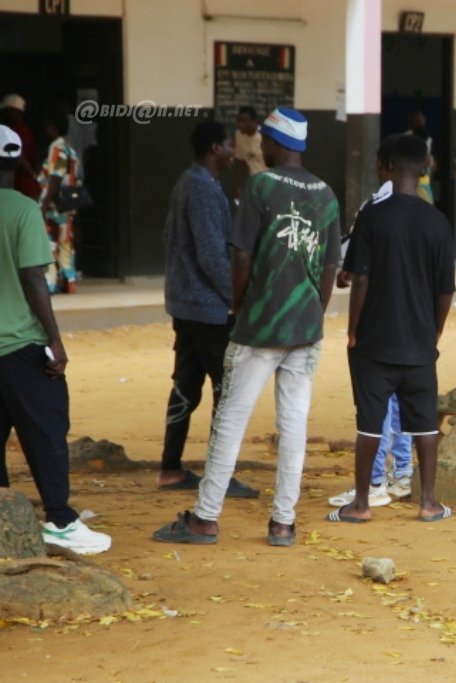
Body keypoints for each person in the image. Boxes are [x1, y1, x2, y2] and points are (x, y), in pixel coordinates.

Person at [153, 107, 341, 547]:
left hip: (259, 324)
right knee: (294, 424)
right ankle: (283, 523)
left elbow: (240, 255)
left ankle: (205, 518)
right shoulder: (326, 194)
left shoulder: (260, 186)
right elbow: (331, 266)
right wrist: (315, 311)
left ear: (274, 143)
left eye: (263, 141)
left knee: (231, 418)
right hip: (304, 327)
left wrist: (239, 307)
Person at [328, 134, 455, 524]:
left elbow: (360, 280)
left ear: (385, 167)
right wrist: (434, 332)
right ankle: (429, 503)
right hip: (419, 344)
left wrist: (353, 331)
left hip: (375, 342)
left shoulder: (373, 217)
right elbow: (445, 290)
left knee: (369, 424)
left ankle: (361, 504)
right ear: (425, 168)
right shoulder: (437, 221)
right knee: (424, 425)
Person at [0, 125, 110, 555]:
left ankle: (5, 519)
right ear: (18, 163)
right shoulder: (22, 208)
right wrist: (55, 341)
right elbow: (33, 276)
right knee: (46, 431)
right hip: (19, 343)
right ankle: (60, 521)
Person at [157, 120, 256, 498]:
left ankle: (170, 468)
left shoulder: (191, 182)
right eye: (230, 145)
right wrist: (236, 297)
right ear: (215, 148)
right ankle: (220, 475)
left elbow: (172, 238)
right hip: (207, 309)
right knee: (226, 390)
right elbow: (212, 255)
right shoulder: (201, 187)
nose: (234, 152)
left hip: (188, 305)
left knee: (185, 384)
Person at [329, 136, 414, 510]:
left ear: (384, 166)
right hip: (412, 321)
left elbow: (356, 272)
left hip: (379, 319)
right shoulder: (423, 212)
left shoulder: (374, 209)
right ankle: (403, 474)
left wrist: (353, 330)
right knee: (401, 398)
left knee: (375, 402)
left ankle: (375, 481)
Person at [37, 111, 81, 294]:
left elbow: (56, 176)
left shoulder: (57, 148)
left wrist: (44, 203)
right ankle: (69, 280)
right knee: (65, 242)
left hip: (54, 206)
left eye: (48, 126)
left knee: (49, 243)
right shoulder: (71, 149)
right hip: (67, 205)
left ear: (53, 128)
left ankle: (50, 282)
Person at [0, 94, 40, 199]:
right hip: (22, 185)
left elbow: (20, 158)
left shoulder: (17, 132)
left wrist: (32, 174)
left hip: (22, 186)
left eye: (7, 111)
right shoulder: (22, 131)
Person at [232, 106, 267, 198]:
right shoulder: (239, 135)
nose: (240, 124)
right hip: (254, 182)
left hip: (269, 182)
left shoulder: (265, 137)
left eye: (244, 121)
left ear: (254, 121)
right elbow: (241, 162)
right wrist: (238, 187)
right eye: (239, 121)